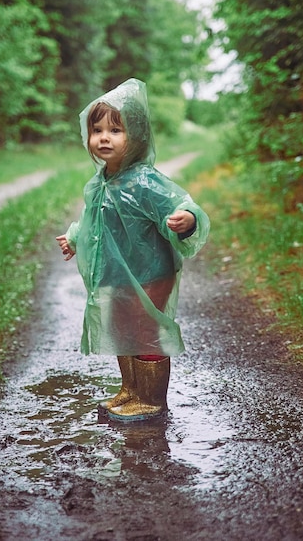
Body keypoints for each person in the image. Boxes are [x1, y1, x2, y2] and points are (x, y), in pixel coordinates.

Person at [56, 78, 210, 422]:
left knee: (144, 329)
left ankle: (152, 398)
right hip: (116, 272)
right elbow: (91, 219)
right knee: (120, 326)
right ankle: (131, 390)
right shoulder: (100, 183)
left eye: (116, 129)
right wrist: (75, 237)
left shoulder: (146, 182)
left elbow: (181, 204)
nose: (104, 137)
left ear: (137, 136)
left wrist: (188, 219)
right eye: (97, 130)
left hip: (150, 272)